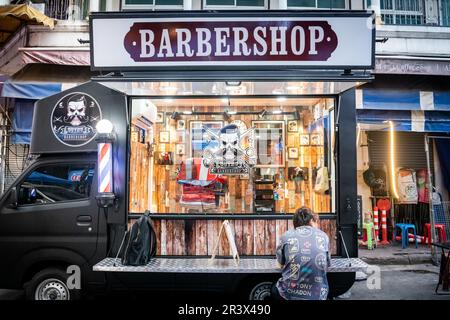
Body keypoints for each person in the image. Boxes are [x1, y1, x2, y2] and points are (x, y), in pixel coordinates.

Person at [272, 206, 331, 300]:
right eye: (316, 221)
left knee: (274, 289)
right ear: (312, 220)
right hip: (318, 295)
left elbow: (280, 264)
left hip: (289, 294)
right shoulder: (323, 236)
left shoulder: (286, 236)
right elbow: (327, 265)